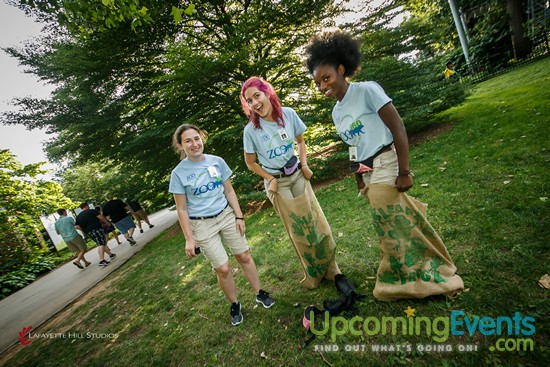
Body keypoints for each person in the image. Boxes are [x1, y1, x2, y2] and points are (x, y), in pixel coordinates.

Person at [305, 30, 464, 301]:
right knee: (396, 218)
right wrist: (357, 173)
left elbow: (397, 126)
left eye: (326, 78)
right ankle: (422, 263)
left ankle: (404, 278)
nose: (322, 86)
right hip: (367, 170)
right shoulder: (336, 111)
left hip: (387, 159)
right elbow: (353, 145)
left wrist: (405, 170)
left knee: (387, 221)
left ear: (341, 69)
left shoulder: (367, 90)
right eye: (318, 82)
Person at [240, 76, 342, 290]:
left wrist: (304, 164)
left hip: (297, 175)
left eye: (257, 96)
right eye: (249, 100)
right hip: (277, 183)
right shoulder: (251, 131)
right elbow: (250, 163)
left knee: (315, 220)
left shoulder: (288, 114)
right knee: (298, 229)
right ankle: (313, 273)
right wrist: (269, 179)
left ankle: (331, 268)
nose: (254, 103)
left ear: (267, 92)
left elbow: (301, 141)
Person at [169, 124, 274, 326]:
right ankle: (234, 304)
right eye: (187, 141)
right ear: (180, 146)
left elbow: (229, 191)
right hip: (202, 225)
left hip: (226, 215)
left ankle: (259, 292)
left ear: (202, 138)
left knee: (243, 255)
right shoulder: (178, 174)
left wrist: (239, 216)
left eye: (196, 138)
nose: (194, 144)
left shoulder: (217, 162)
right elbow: (181, 209)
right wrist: (189, 239)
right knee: (223, 268)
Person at [75, 203, 116, 267]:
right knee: (101, 244)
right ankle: (102, 260)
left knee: (101, 242)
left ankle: (110, 254)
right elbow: (101, 217)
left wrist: (83, 231)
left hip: (88, 232)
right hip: (96, 228)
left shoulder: (79, 216)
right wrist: (107, 222)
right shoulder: (92, 211)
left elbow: (77, 226)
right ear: (87, 206)